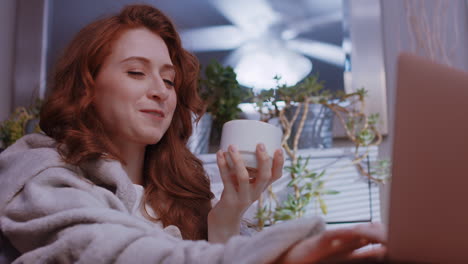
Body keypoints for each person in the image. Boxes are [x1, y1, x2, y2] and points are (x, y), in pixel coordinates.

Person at [0, 4, 385, 263]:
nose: (161, 90)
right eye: (136, 72)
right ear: (86, 88)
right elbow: (117, 252)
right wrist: (274, 254)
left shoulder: (178, 192)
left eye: (169, 79)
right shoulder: (40, 175)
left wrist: (227, 216)